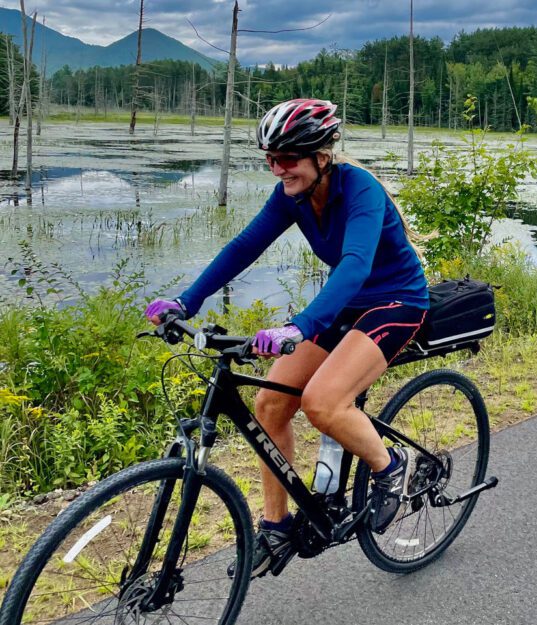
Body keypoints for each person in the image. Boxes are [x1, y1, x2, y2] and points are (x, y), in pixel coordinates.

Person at [145, 98, 429, 578]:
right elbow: (245, 246)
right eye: (270, 159)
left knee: (322, 403)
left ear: (321, 155)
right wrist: (186, 302)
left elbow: (357, 264)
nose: (278, 168)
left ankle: (390, 466)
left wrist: (300, 326)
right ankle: (276, 527)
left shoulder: (360, 189)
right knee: (270, 406)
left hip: (395, 303)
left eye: (288, 158)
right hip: (344, 305)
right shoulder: (293, 195)